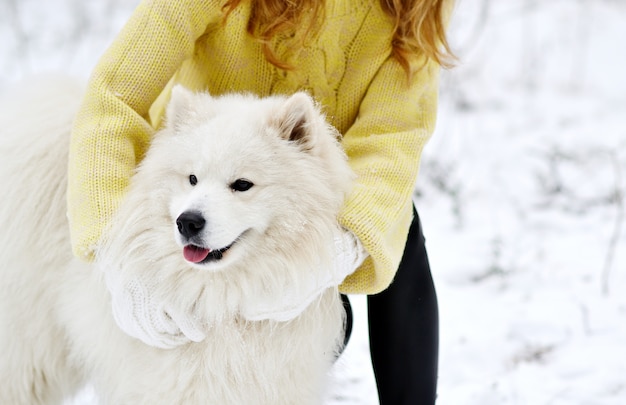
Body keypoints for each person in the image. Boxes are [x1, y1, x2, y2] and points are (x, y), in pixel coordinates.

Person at [67, 0, 454, 403]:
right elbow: (114, 96)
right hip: (197, 154)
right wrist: (117, 261)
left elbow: (389, 142)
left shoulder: (413, 11)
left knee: (399, 230)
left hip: (308, 190)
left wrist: (340, 250)